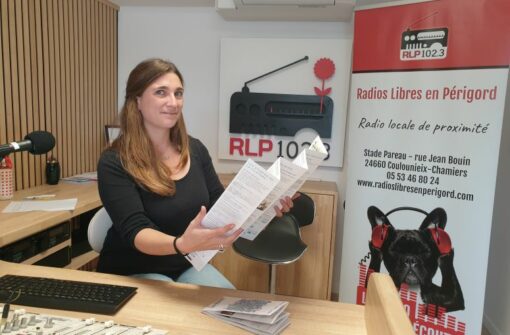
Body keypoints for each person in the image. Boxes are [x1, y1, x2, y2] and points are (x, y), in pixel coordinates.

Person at [96, 58, 293, 289]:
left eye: (178, 93)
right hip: (133, 269)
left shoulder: (195, 149)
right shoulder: (114, 161)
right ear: (137, 100)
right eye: (161, 92)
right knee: (179, 319)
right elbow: (136, 231)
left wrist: (264, 207)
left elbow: (221, 204)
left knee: (229, 306)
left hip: (186, 264)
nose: (174, 102)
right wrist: (181, 244)